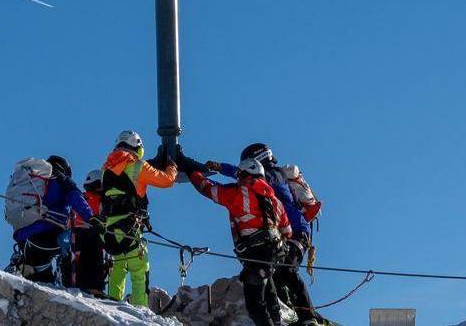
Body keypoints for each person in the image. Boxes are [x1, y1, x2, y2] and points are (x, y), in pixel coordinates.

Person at [197, 143, 319, 325]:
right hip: (287, 233)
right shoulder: (270, 180)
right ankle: (289, 313)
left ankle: (308, 318)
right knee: (275, 273)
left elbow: (251, 179)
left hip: (297, 232)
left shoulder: (275, 175)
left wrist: (222, 168)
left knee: (288, 272)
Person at [186, 153, 292, 326]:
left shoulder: (239, 194)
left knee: (255, 304)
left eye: (240, 175)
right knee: (269, 290)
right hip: (273, 253)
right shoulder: (274, 200)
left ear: (245, 175)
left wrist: (191, 171)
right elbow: (287, 231)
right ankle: (277, 322)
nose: (238, 179)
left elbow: (208, 188)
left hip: (255, 255)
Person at [97, 129, 179, 305]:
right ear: (137, 146)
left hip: (109, 228)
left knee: (118, 265)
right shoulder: (138, 165)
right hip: (130, 227)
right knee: (139, 269)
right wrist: (171, 165)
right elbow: (167, 181)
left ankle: (112, 304)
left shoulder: (105, 169)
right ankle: (140, 311)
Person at [10, 155, 97, 286]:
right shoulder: (61, 180)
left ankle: (23, 267)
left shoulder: (33, 182)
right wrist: (91, 218)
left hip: (24, 239)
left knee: (40, 279)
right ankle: (73, 282)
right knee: (80, 238)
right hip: (48, 236)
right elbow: (76, 197)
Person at [72, 168, 111, 293]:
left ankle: (81, 284)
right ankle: (94, 287)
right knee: (95, 255)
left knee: (79, 262)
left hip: (74, 237)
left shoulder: (80, 199)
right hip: (92, 237)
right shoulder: (103, 202)